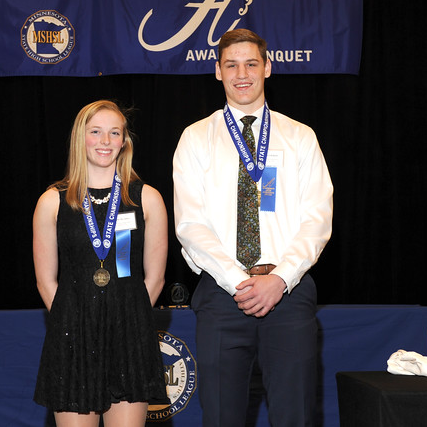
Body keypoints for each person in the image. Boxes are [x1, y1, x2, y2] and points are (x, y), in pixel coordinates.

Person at [172, 29, 334, 427]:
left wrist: (279, 279)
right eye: (231, 65)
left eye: (250, 63)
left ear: (268, 67)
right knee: (221, 416)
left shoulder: (300, 136)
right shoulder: (195, 138)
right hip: (221, 295)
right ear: (217, 71)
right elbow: (191, 224)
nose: (241, 74)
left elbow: (317, 219)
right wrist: (237, 280)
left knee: (294, 415)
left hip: (289, 293)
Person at [32, 100, 168, 426]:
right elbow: (45, 281)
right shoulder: (52, 201)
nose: (105, 141)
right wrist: (75, 325)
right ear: (81, 138)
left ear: (124, 142)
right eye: (96, 132)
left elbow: (156, 279)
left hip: (129, 343)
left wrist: (125, 321)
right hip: (72, 343)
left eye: (114, 133)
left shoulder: (146, 198)